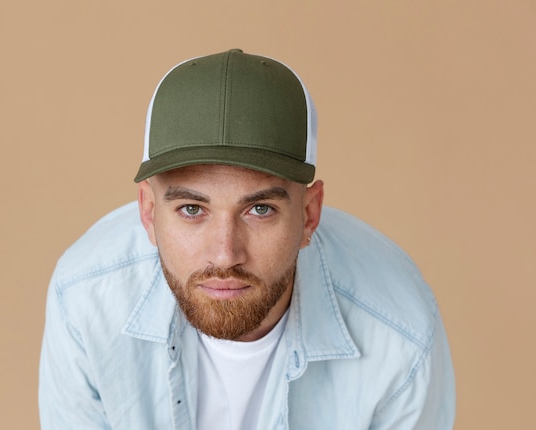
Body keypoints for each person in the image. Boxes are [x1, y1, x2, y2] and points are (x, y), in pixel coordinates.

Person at [39, 49, 455, 429]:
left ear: (309, 214)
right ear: (148, 212)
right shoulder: (85, 300)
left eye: (260, 210)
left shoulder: (399, 335)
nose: (225, 253)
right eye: (191, 210)